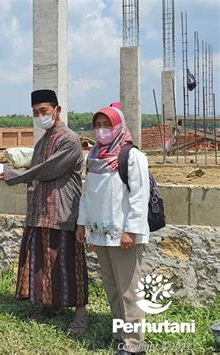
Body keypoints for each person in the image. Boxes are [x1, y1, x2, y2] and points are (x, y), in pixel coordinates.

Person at [1, 89, 89, 334]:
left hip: (62, 212)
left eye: (44, 111)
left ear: (57, 110)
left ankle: (81, 312)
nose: (40, 116)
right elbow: (35, 167)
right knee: (44, 262)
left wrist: (9, 175)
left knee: (68, 261)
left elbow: (46, 170)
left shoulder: (69, 139)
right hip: (40, 211)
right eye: (36, 112)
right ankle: (50, 306)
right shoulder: (43, 140)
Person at [75, 104, 150, 354]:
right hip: (100, 234)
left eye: (107, 125)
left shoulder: (132, 156)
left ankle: (134, 343)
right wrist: (82, 224)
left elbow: (140, 197)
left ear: (118, 126)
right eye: (97, 125)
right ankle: (120, 333)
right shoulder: (94, 156)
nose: (101, 130)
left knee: (129, 289)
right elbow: (88, 195)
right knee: (112, 286)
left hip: (123, 235)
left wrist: (131, 231)